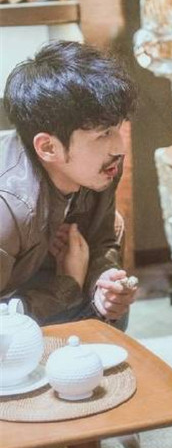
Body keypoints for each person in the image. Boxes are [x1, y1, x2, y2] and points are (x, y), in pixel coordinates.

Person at [0, 40, 138, 330]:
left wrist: (103, 280)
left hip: (32, 280)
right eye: (103, 134)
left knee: (110, 309)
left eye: (118, 127)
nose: (119, 147)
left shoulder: (98, 167)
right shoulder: (9, 207)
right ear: (48, 147)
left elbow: (102, 237)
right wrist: (68, 284)